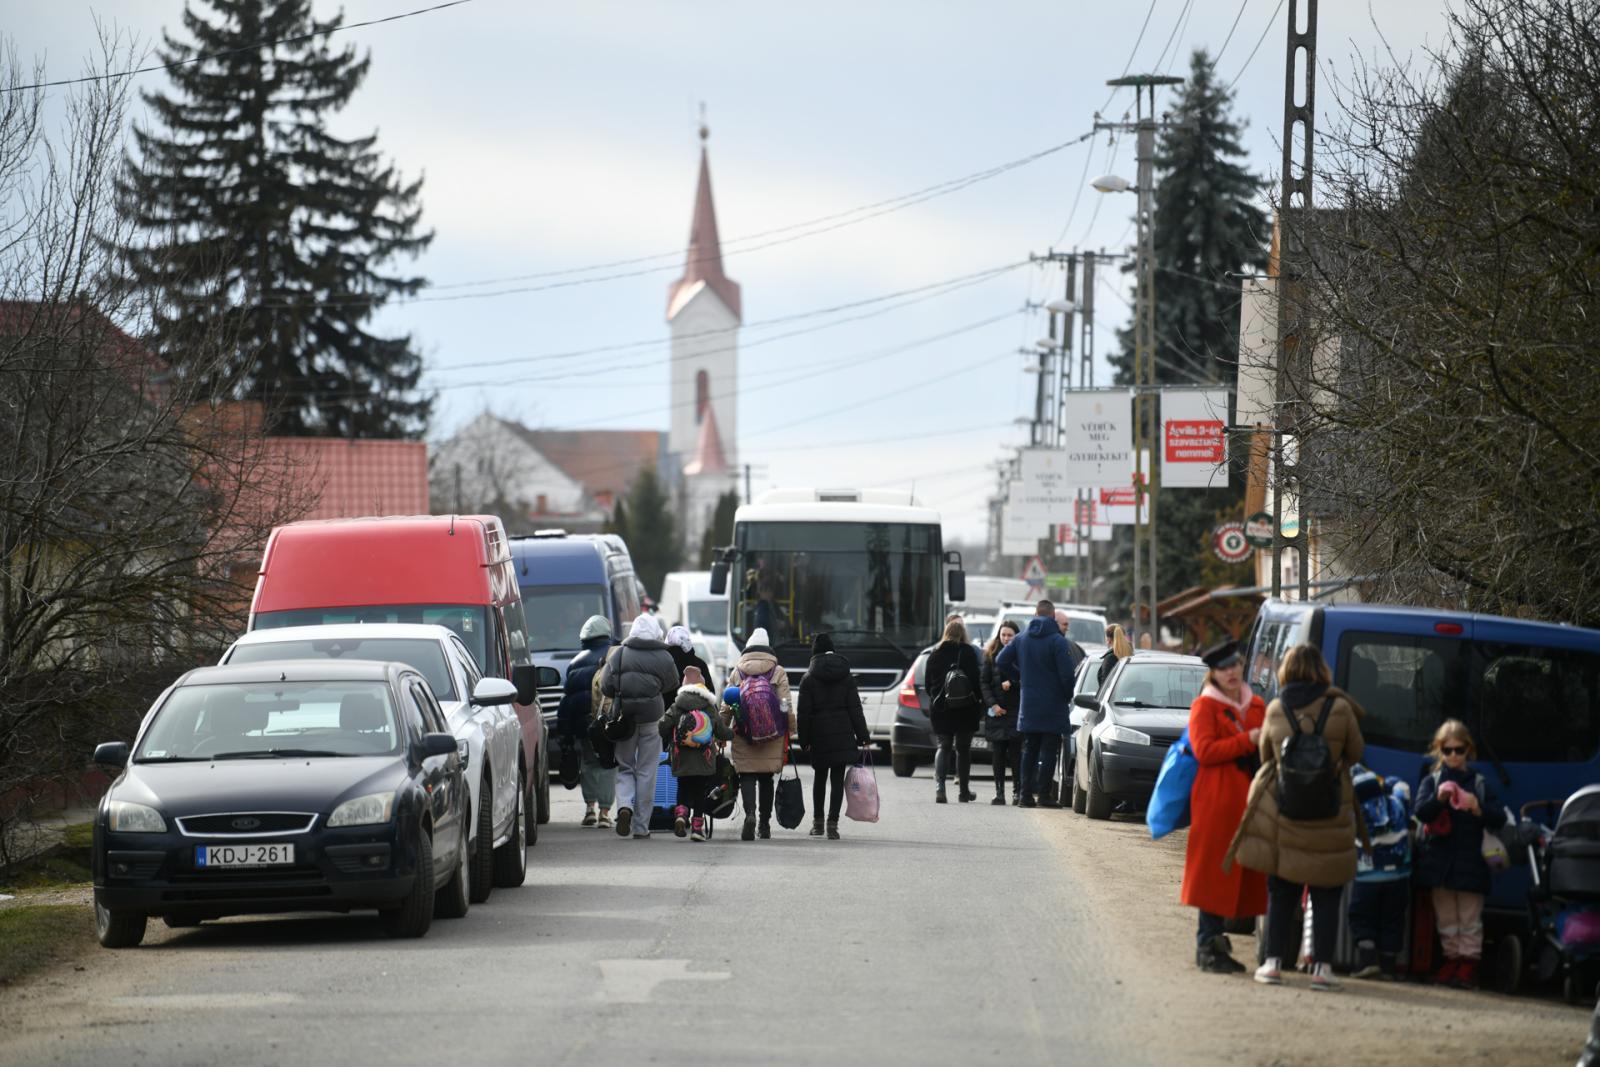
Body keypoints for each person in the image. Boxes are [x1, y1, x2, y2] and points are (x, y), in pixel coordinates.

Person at [1226, 643, 1365, 990]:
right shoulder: (1341, 707)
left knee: (1282, 890)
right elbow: (1356, 752)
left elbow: (1265, 754)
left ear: (1286, 670)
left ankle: (1272, 963)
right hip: (1329, 814)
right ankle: (1321, 969)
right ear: (1322, 670)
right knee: (1327, 893)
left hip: (1285, 813)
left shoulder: (1276, 708)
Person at [1180, 639, 1267, 974]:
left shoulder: (1256, 704)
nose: (1231, 672)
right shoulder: (1205, 706)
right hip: (1215, 802)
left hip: (1252, 802)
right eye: (1223, 668)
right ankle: (1208, 944)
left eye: (1235, 665)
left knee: (1247, 874)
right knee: (1215, 873)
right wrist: (1248, 740)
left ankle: (1229, 943)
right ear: (1213, 674)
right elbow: (1205, 751)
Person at [1413, 718, 1509, 989]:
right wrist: (1439, 800)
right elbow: (1421, 812)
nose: (1453, 756)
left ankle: (1468, 964)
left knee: (1469, 919)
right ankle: (1450, 960)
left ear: (1469, 750)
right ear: (1438, 751)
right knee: (1446, 918)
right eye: (1447, 750)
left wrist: (1477, 808)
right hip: (1439, 863)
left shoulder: (1479, 783)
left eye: (1459, 750)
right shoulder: (1431, 781)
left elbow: (1499, 818)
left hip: (1471, 862)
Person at [599, 613, 679, 839]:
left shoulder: (619, 654)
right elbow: (672, 683)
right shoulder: (664, 656)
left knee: (625, 767)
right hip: (652, 717)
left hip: (624, 718)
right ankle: (641, 827)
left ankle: (624, 806)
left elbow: (606, 686)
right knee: (647, 771)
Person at [995, 600, 1080, 808]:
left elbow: (1000, 660)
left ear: (1035, 614)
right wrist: (1066, 694)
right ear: (1052, 617)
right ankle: (1043, 795)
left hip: (1029, 703)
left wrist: (1020, 677)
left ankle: (1024, 796)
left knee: (1029, 748)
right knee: (1049, 749)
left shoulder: (1021, 638)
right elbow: (1067, 675)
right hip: (1053, 703)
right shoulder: (1058, 641)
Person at [797, 633, 870, 840]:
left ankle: (817, 824)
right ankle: (832, 825)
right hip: (842, 735)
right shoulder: (845, 676)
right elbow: (855, 708)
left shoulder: (808, 678)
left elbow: (804, 714)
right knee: (837, 779)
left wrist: (804, 740)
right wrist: (863, 736)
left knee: (820, 778)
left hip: (819, 736)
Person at [725, 626, 795, 840]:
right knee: (766, 777)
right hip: (772, 733)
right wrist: (790, 728)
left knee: (747, 774)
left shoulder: (738, 672)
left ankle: (750, 814)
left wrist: (721, 730)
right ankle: (764, 824)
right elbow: (785, 704)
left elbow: (727, 704)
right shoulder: (778, 671)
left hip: (744, 732)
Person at [1347, 764, 1413, 980]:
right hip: (1398, 878)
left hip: (1367, 879)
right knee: (1392, 920)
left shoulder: (1357, 815)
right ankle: (1389, 968)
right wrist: (1389, 782)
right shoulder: (1395, 805)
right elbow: (1402, 788)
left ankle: (1366, 960)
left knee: (1363, 918)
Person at [657, 666, 733, 842]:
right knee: (700, 790)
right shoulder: (709, 706)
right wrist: (732, 733)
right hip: (704, 757)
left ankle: (681, 815)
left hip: (681, 756)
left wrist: (670, 735)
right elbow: (721, 731)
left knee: (683, 786)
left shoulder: (677, 705)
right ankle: (697, 828)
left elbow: (662, 725)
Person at [557, 614, 615, 828]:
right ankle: (605, 813)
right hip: (609, 723)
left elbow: (567, 703)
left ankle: (590, 808)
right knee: (609, 765)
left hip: (585, 725)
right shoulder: (614, 657)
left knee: (589, 763)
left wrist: (565, 733)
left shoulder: (574, 663)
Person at [925, 617, 983, 804]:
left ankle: (940, 788)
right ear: (963, 634)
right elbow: (975, 681)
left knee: (943, 745)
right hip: (965, 708)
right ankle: (964, 792)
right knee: (963, 749)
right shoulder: (968, 652)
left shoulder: (935, 653)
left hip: (941, 708)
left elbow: (928, 685)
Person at [979, 620, 1022, 805]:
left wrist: (1013, 683)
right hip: (997, 712)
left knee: (1015, 754)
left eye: (1009, 635)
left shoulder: (1021, 655)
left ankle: (1017, 792)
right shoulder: (990, 655)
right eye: (1003, 635)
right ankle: (999, 793)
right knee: (997, 754)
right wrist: (993, 705)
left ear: (1016, 636)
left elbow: (1028, 679)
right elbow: (984, 683)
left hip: (1015, 711)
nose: (1006, 638)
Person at [665, 625, 714, 701]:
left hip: (667, 711)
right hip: (696, 711)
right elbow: (710, 693)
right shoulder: (700, 664)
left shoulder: (663, 663)